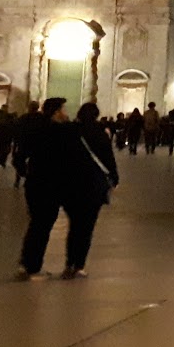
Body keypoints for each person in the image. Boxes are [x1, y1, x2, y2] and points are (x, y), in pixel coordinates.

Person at [15, 98, 72, 280]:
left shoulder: (34, 130)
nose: (65, 113)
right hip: (51, 185)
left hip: (34, 183)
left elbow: (19, 156)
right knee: (42, 226)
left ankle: (26, 264)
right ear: (56, 112)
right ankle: (32, 267)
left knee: (35, 224)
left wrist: (26, 173)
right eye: (63, 109)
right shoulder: (60, 132)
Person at [63, 102, 120, 278]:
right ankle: (79, 265)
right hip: (93, 186)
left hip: (71, 184)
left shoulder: (70, 132)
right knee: (86, 227)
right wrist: (114, 178)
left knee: (74, 226)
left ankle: (69, 263)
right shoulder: (100, 134)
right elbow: (108, 159)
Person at [11, 101, 46, 189]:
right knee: (34, 164)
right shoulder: (42, 118)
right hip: (37, 145)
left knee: (20, 162)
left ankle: (17, 181)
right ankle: (31, 180)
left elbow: (16, 133)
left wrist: (15, 146)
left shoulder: (23, 118)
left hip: (24, 144)